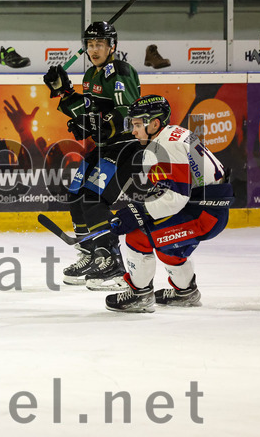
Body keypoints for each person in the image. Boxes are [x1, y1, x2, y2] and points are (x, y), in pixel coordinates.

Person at [86, 95, 232, 312]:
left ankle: (140, 296)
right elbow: (172, 190)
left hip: (204, 214)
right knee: (167, 246)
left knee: (139, 236)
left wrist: (137, 212)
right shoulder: (173, 134)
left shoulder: (166, 145)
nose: (133, 131)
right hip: (205, 208)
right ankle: (185, 293)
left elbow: (175, 197)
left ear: (154, 123)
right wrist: (140, 210)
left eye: (137, 125)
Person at [43, 21, 142, 291]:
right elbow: (86, 112)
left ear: (112, 46)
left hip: (125, 147)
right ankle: (91, 253)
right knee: (76, 193)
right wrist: (64, 91)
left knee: (93, 197)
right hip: (103, 147)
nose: (94, 49)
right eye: (90, 44)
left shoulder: (120, 72)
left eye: (100, 44)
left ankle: (111, 261)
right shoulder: (90, 75)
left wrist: (96, 123)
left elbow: (128, 114)